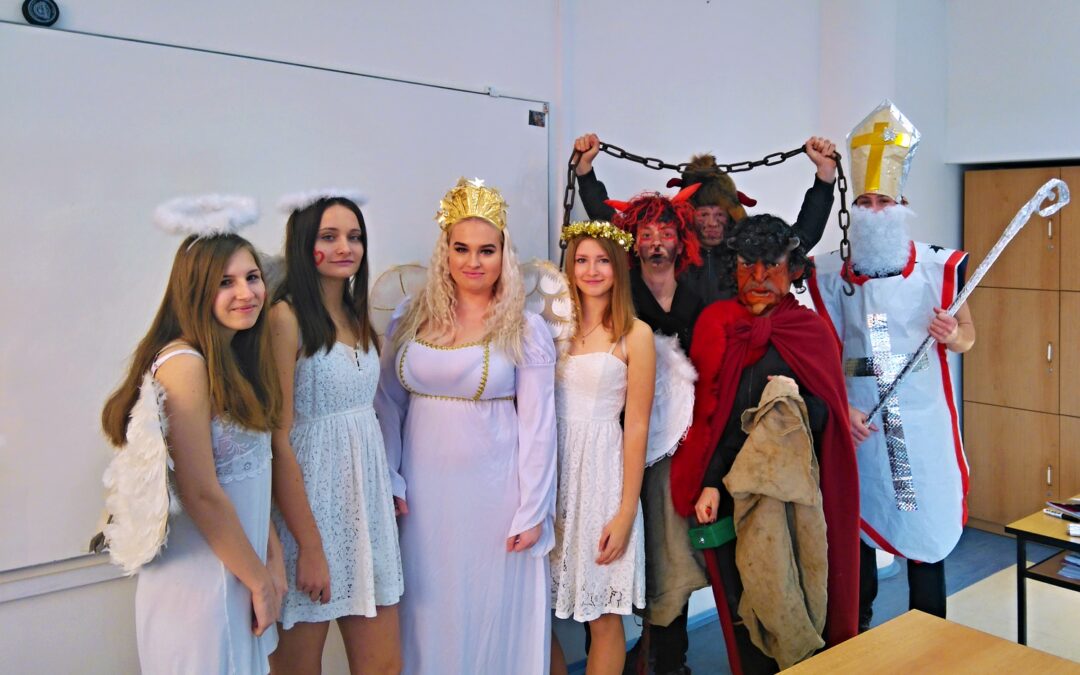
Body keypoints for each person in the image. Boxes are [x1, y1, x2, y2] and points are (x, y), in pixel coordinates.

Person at [374, 178, 558, 675]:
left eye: (486, 250)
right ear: (445, 252)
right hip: (422, 495)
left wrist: (533, 509)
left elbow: (540, 426)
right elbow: (387, 404)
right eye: (461, 249)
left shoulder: (525, 327)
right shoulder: (409, 317)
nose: (473, 262)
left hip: (495, 496)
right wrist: (390, 478)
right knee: (427, 608)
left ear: (503, 255)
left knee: (489, 604)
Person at [806, 100, 976, 631]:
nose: (874, 210)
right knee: (859, 524)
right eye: (864, 201)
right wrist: (840, 410)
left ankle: (930, 633)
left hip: (916, 426)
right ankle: (856, 632)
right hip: (863, 421)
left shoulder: (936, 267)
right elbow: (827, 352)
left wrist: (952, 334)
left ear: (902, 205)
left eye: (883, 201)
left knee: (921, 522)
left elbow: (968, 337)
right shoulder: (832, 274)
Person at [101, 195, 284, 674]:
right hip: (202, 588)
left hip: (234, 572)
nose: (246, 292)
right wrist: (259, 580)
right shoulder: (184, 364)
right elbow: (201, 492)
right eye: (225, 282)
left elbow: (247, 476)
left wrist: (273, 556)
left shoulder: (232, 361)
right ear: (194, 290)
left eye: (252, 277)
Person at [673, 214, 861, 673]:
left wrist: (789, 405)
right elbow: (707, 417)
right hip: (731, 490)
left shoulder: (810, 331)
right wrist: (710, 481)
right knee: (745, 599)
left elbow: (828, 420)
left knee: (797, 590)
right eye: (746, 265)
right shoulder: (718, 323)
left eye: (771, 265)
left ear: (793, 269)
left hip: (794, 494)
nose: (758, 277)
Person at [268, 191, 404, 674]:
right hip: (311, 511)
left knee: (384, 666)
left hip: (365, 509)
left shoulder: (354, 313)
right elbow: (278, 439)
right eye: (329, 237)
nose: (345, 247)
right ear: (304, 244)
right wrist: (309, 546)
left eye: (354, 236)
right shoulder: (285, 318)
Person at [601, 186, 707, 675]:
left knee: (670, 551)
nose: (657, 242)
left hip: (680, 444)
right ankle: (632, 649)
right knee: (618, 543)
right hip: (620, 441)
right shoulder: (620, 297)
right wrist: (586, 176)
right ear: (634, 243)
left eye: (665, 232)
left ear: (681, 240)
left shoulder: (698, 296)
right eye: (646, 234)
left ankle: (668, 658)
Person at [549, 222, 655, 675]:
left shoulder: (636, 334)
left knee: (604, 616)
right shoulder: (552, 328)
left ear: (618, 268)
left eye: (602, 261)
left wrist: (626, 510)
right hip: (551, 472)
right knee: (534, 608)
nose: (591, 270)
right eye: (582, 260)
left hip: (602, 478)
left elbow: (637, 425)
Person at [571, 133, 838, 304]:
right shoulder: (668, 249)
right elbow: (614, 227)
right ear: (689, 214)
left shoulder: (746, 249)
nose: (711, 222)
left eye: (719, 214)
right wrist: (585, 172)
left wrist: (825, 178)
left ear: (730, 214)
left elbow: (802, 237)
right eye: (703, 214)